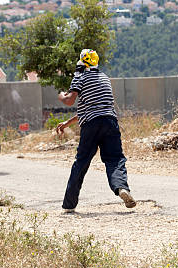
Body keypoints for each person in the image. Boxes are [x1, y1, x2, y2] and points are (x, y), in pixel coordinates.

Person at [56, 49, 136, 213]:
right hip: (110, 122)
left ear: (81, 62)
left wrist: (61, 96)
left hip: (91, 125)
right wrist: (67, 123)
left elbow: (70, 101)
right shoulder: (104, 78)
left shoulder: (81, 77)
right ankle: (121, 187)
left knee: (82, 162)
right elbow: (92, 107)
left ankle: (69, 204)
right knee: (115, 159)